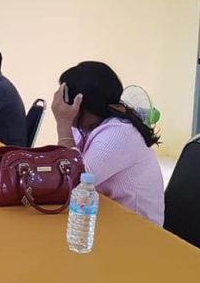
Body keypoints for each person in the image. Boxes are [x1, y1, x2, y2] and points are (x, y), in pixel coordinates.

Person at [52, 61, 164, 225]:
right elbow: (59, 171)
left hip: (136, 229)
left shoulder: (120, 132)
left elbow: (73, 183)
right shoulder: (84, 127)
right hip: (104, 216)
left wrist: (63, 123)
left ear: (79, 102)